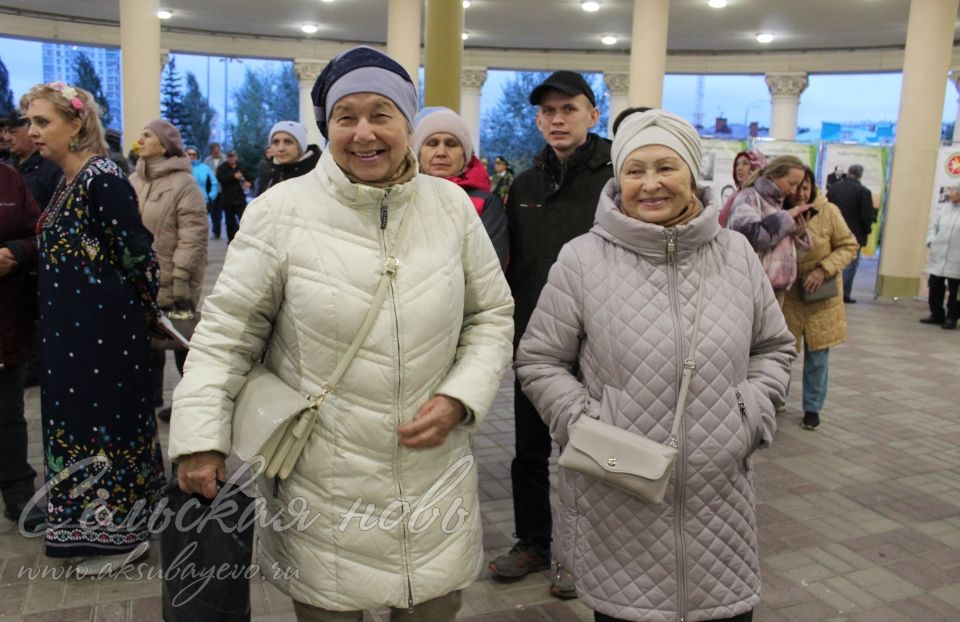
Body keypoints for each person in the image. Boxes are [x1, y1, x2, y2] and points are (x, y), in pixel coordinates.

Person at [169, 46, 514, 621]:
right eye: (345, 116)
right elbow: (226, 335)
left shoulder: (451, 207)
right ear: (326, 125)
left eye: (381, 114)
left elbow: (491, 316)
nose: (363, 132)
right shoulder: (280, 211)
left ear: (408, 122)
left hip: (433, 475)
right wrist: (200, 439)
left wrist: (461, 397)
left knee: (432, 605)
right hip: (323, 482)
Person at [515, 109, 795, 622]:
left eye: (666, 167)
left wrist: (749, 411)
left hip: (720, 508)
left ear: (692, 173)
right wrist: (584, 422)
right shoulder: (582, 259)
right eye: (634, 170)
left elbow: (773, 347)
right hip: (620, 496)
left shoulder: (734, 254)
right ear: (617, 179)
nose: (649, 184)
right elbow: (539, 359)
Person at [22, 82, 165, 572]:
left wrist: (143, 310)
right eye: (30, 122)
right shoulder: (65, 178)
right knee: (77, 429)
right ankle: (94, 527)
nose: (33, 132)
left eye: (43, 122)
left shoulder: (102, 176)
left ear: (76, 124)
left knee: (107, 430)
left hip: (103, 339)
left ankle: (122, 537)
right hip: (70, 337)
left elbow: (137, 252)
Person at [492, 69, 612, 599]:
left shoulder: (615, 176)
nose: (557, 119)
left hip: (603, 341)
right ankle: (534, 541)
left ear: (593, 113)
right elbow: (512, 265)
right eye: (548, 112)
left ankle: (581, 552)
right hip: (536, 341)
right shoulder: (525, 183)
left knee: (590, 451)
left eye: (568, 109)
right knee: (528, 450)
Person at [129, 120, 209, 422]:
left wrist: (181, 283)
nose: (141, 140)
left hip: (173, 279)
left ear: (164, 145)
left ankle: (192, 401)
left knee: (181, 343)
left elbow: (193, 237)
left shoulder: (183, 184)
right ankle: (149, 399)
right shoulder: (133, 180)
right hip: (139, 280)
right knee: (147, 345)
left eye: (147, 135)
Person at [782, 167, 857, 431]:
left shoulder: (829, 212)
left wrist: (823, 268)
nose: (800, 193)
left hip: (820, 297)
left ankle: (812, 408)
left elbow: (849, 246)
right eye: (796, 187)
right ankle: (777, 400)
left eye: (806, 187)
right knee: (782, 353)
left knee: (817, 356)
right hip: (788, 296)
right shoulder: (780, 212)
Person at [0, 162, 46, 534]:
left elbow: (38, 232)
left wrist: (16, 250)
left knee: (8, 415)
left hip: (6, 324)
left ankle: (18, 496)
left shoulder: (9, 179)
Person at [414, 107, 508, 270]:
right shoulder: (399, 197)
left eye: (451, 144)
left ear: (465, 156)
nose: (441, 152)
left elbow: (490, 269)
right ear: (419, 153)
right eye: (432, 143)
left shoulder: (484, 205)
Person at [727, 155, 812, 304]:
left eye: (797, 186)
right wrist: (785, 219)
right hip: (753, 289)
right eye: (791, 183)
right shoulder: (749, 197)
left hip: (774, 289)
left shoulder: (778, 202)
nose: (793, 191)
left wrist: (798, 234)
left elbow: (783, 253)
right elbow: (747, 237)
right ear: (774, 175)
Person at [826, 164, 875, 303]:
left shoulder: (834, 188)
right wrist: (867, 230)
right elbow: (866, 215)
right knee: (850, 265)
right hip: (853, 235)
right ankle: (844, 294)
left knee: (832, 263)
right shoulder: (863, 191)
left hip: (832, 233)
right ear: (860, 175)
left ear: (848, 172)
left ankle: (829, 293)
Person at [1, 108, 63, 210]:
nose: (6, 138)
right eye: (5, 132)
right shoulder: (6, 168)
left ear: (31, 130)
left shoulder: (53, 168)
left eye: (12, 131)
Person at [921, 185, 960, 329]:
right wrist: (931, 240)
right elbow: (933, 226)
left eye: (954, 191)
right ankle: (936, 314)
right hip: (939, 255)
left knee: (955, 291)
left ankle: (952, 317)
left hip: (957, 258)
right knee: (935, 286)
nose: (950, 194)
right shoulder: (944, 209)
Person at [255, 120, 322, 197]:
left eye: (288, 142)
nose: (281, 148)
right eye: (275, 142)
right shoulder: (270, 171)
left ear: (301, 146)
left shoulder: (319, 174)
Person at [718, 150, 766, 228]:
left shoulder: (758, 195)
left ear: (755, 167)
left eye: (745, 164)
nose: (739, 168)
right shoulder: (736, 193)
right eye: (737, 164)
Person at [215, 149, 251, 242]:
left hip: (240, 199)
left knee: (244, 220)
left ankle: (243, 240)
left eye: (233, 156)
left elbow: (250, 178)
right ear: (227, 158)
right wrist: (234, 177)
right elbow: (220, 178)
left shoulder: (242, 167)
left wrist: (249, 183)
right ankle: (231, 240)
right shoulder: (222, 168)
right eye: (230, 156)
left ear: (236, 157)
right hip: (227, 200)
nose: (232, 158)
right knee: (229, 222)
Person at [186, 145, 219, 212]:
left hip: (203, 201)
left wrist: (211, 196)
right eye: (189, 154)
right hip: (185, 202)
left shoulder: (205, 168)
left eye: (194, 154)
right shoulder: (180, 167)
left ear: (197, 156)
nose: (191, 156)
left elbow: (214, 183)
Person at [203, 142, 225, 237]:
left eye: (218, 150)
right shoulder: (207, 161)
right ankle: (216, 231)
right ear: (211, 151)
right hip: (212, 190)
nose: (216, 152)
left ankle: (218, 230)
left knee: (220, 211)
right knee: (213, 211)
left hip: (223, 189)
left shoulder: (225, 159)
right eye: (214, 151)